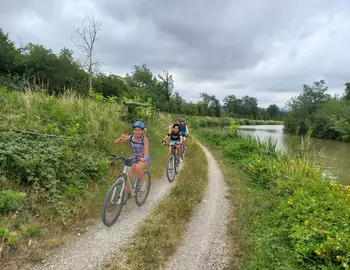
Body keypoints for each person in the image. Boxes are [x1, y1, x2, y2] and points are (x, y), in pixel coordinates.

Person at [115, 121, 150, 201]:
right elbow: (116, 142)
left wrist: (143, 159)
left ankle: (142, 182)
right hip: (134, 158)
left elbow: (146, 153)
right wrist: (121, 138)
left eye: (139, 130)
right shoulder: (131, 137)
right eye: (135, 130)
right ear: (134, 131)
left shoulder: (144, 139)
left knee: (137, 168)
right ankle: (125, 196)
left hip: (144, 158)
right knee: (128, 176)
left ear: (142, 131)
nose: (137, 131)